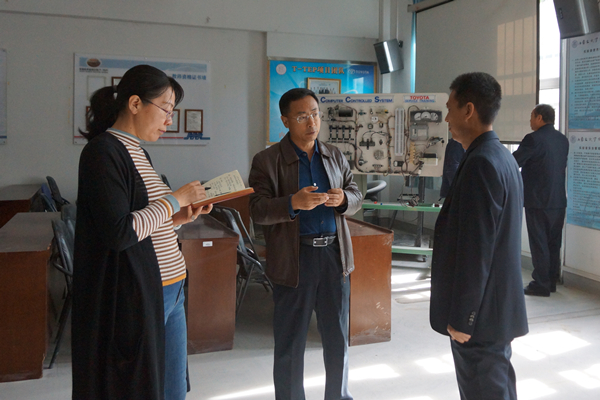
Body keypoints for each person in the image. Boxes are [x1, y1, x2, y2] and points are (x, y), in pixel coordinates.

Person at [73, 64, 212, 400]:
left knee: (172, 389)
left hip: (172, 290)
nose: (169, 120)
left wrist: (177, 218)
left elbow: (143, 224)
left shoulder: (138, 151)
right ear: (135, 103)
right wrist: (175, 199)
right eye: (165, 109)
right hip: (141, 294)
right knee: (141, 387)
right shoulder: (103, 152)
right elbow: (120, 232)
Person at [249, 88, 362, 400]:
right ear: (285, 121)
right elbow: (257, 209)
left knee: (338, 339)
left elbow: (356, 193)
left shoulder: (334, 155)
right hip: (294, 259)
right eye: (302, 116)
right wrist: (292, 203)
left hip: (334, 257)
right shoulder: (267, 160)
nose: (311, 122)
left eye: (315, 114)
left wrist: (344, 199)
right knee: (290, 342)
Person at [429, 72, 529, 400]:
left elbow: (477, 250)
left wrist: (464, 318)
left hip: (481, 318)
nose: (446, 118)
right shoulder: (500, 156)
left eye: (450, 109)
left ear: (468, 110)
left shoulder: (481, 163)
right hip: (494, 311)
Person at [513, 104, 569, 297]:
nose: (530, 120)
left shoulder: (533, 139)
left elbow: (514, 161)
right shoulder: (562, 140)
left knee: (539, 243)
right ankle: (551, 281)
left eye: (531, 116)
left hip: (537, 200)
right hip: (558, 200)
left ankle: (541, 284)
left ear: (539, 118)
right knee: (553, 243)